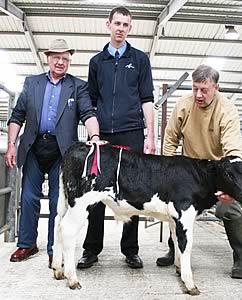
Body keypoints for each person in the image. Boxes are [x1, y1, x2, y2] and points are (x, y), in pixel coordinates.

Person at [4, 38, 100, 268]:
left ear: (69, 61)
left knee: (59, 201)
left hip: (62, 152)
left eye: (65, 59)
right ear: (48, 58)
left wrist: (94, 137)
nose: (60, 62)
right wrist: (10, 144)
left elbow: (88, 113)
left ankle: (53, 248)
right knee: (28, 198)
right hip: (34, 147)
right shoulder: (32, 83)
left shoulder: (78, 86)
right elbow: (17, 116)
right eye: (56, 57)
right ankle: (27, 243)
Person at [77, 6, 155, 270]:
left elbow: (147, 100)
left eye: (126, 24)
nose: (121, 28)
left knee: (131, 191)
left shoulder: (140, 60)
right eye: (117, 23)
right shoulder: (97, 63)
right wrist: (94, 133)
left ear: (130, 28)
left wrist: (150, 136)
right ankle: (91, 249)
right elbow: (92, 101)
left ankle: (130, 250)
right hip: (104, 136)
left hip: (132, 132)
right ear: (107, 25)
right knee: (97, 190)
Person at [156, 64, 242, 279]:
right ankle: (175, 250)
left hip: (221, 170)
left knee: (229, 210)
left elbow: (234, 150)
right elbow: (170, 138)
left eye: (204, 90)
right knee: (177, 209)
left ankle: (241, 258)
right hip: (191, 171)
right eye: (195, 88)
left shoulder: (227, 109)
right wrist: (167, 171)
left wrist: (231, 186)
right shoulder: (183, 105)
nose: (198, 94)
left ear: (216, 87)